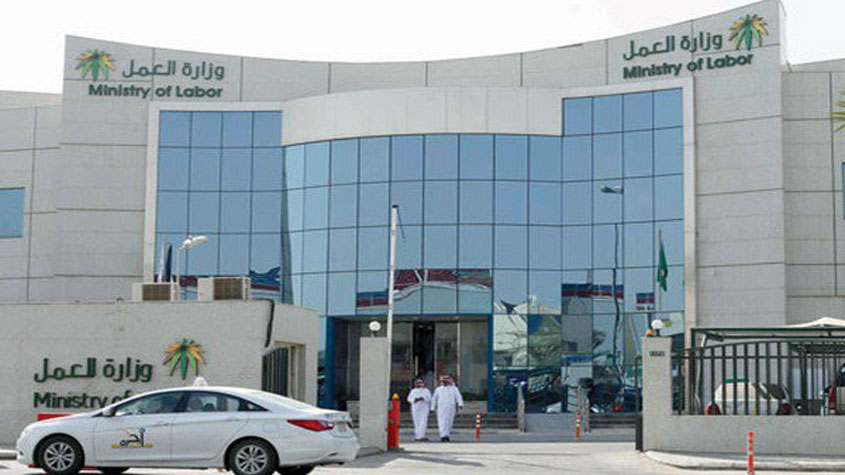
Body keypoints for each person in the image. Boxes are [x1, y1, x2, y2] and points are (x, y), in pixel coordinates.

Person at [431, 375, 463, 442]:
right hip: (441, 407)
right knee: (442, 421)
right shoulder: (438, 389)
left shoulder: (454, 389)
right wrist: (432, 408)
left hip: (451, 407)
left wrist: (460, 404)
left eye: (446, 381)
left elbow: (458, 397)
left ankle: (447, 435)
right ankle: (443, 435)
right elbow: (434, 399)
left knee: (449, 421)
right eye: (443, 381)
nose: (445, 382)